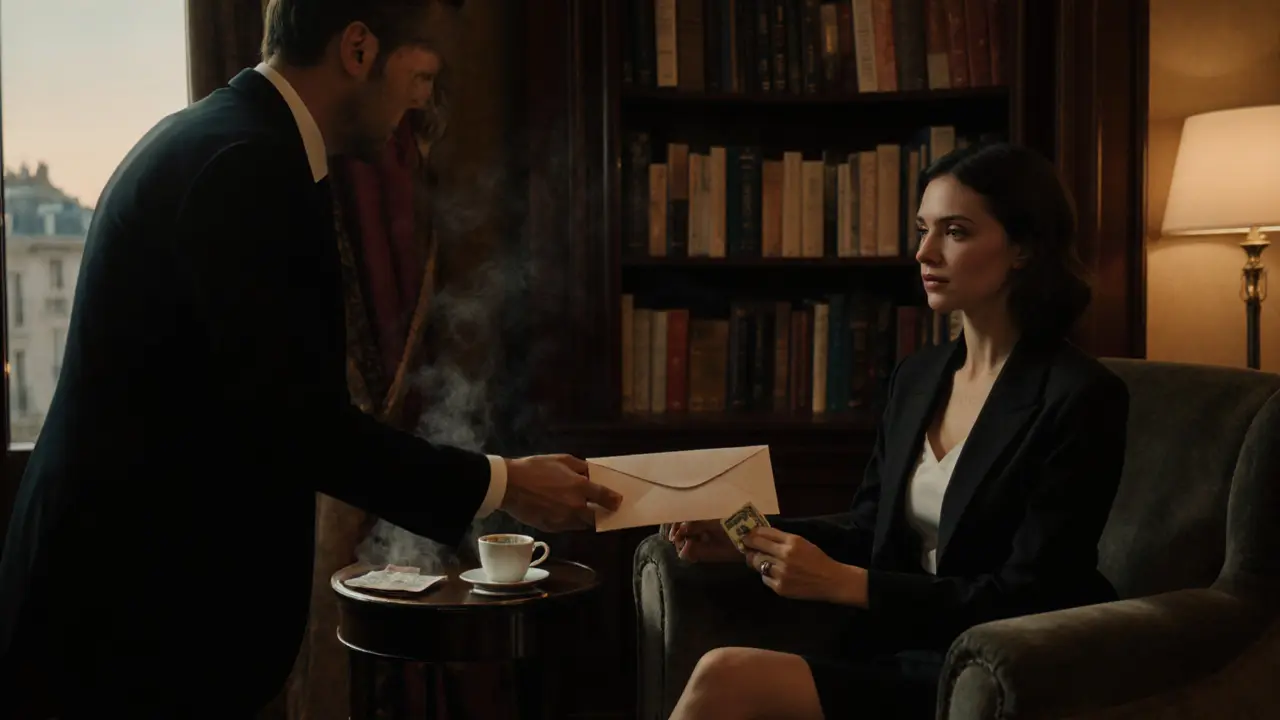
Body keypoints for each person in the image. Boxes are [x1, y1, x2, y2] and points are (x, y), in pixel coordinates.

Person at [0, 1, 621, 717]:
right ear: (357, 48)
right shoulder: (246, 166)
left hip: (127, 608)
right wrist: (503, 483)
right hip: (124, 627)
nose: (423, 100)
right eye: (420, 74)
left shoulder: (224, 138)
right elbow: (298, 426)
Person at [664, 141, 1129, 720]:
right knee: (724, 673)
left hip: (993, 669)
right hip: (891, 648)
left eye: (955, 232)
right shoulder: (919, 376)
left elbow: (1031, 594)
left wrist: (849, 584)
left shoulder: (1081, 396)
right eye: (922, 229)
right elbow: (869, 527)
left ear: (1024, 248)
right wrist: (747, 539)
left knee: (725, 675)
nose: (924, 253)